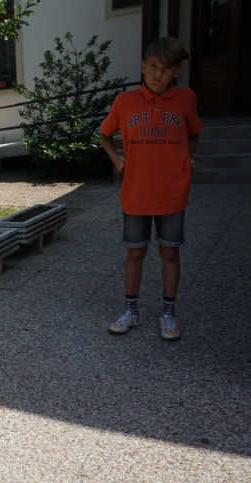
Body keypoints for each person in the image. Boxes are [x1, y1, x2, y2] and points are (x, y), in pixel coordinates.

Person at [100, 36, 202, 341]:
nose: (159, 73)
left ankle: (168, 313)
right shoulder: (125, 102)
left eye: (166, 68)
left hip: (172, 192)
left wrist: (187, 156)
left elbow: (194, 132)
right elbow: (105, 134)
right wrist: (116, 158)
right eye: (154, 66)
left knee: (169, 251)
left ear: (177, 71)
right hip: (136, 192)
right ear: (143, 66)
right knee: (135, 252)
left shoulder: (186, 99)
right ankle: (131, 310)